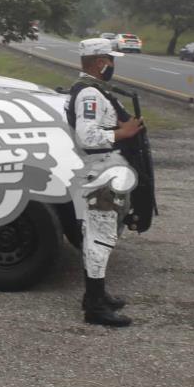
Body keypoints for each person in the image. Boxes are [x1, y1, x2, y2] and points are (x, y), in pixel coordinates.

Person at [67, 38, 145, 327]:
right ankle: (95, 308)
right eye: (110, 60)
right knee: (100, 237)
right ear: (100, 62)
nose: (112, 65)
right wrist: (122, 134)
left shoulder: (95, 91)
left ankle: (95, 296)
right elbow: (86, 136)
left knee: (100, 235)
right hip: (102, 172)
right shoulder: (90, 94)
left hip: (107, 170)